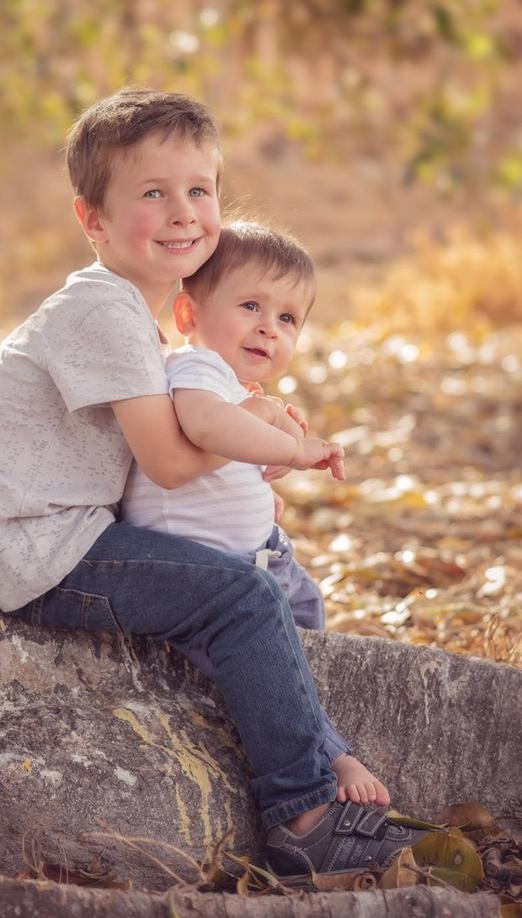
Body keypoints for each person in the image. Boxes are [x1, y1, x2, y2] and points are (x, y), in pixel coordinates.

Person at [0, 88, 426, 883]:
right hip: (38, 547)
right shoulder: (100, 310)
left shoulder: (132, 315)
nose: (184, 212)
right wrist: (277, 436)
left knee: (262, 571)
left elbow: (167, 448)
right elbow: (172, 460)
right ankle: (303, 815)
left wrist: (250, 439)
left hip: (60, 529)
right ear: (91, 218)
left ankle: (316, 742)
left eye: (200, 190)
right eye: (153, 193)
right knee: (239, 594)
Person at [121, 220, 388, 808]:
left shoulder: (237, 389)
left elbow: (227, 454)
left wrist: (264, 469)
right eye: (251, 306)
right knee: (266, 664)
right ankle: (328, 754)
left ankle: (308, 706)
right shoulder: (196, 372)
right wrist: (293, 449)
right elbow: (206, 428)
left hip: (262, 557)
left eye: (289, 319)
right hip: (208, 574)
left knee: (306, 615)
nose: (270, 327)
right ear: (189, 316)